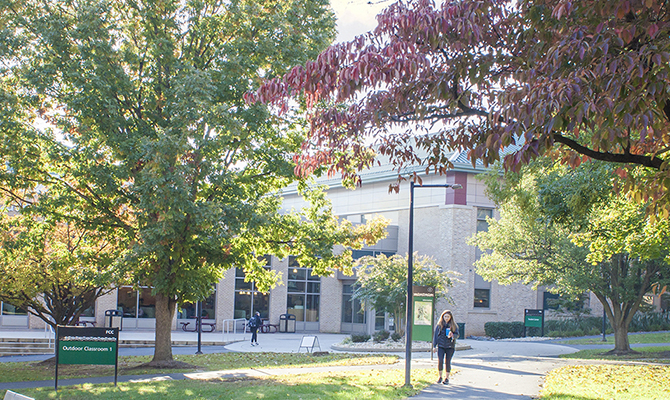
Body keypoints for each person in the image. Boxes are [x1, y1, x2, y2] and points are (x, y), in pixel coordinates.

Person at [432, 310, 458, 385]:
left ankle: (447, 378)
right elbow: (436, 336)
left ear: (450, 317)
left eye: (448, 317)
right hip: (441, 346)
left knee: (448, 362)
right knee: (440, 360)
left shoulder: (453, 325)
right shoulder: (439, 325)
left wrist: (452, 335)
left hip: (450, 346)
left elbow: (457, 334)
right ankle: (440, 376)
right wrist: (434, 346)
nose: (446, 318)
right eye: (445, 316)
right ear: (442, 317)